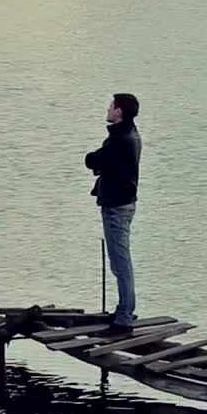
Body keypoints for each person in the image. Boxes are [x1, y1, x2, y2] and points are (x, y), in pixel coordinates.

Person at [85, 93, 142, 334]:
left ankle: (125, 317)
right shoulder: (130, 135)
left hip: (117, 206)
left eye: (111, 106)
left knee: (120, 262)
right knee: (120, 261)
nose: (108, 109)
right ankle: (123, 309)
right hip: (123, 203)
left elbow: (93, 160)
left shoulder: (120, 139)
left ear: (119, 112)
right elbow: (107, 163)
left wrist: (96, 161)